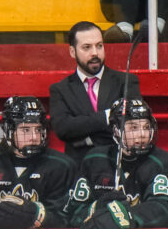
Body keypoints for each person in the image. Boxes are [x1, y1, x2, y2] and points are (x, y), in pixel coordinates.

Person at [0, 96, 81, 229]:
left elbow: (67, 219)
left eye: (38, 129)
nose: (34, 137)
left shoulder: (61, 165)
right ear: (9, 130)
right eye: (25, 130)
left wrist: (36, 214)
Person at [73, 99, 168, 229]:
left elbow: (165, 209)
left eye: (146, 127)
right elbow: (73, 211)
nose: (142, 134)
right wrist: (96, 208)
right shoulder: (94, 159)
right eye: (133, 128)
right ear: (116, 130)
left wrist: (123, 216)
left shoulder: (165, 162)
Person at [49, 21, 128, 159]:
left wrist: (85, 138)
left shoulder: (125, 81)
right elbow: (63, 129)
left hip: (116, 162)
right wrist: (107, 116)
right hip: (79, 167)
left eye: (99, 46)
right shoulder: (60, 89)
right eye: (87, 47)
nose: (95, 53)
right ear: (72, 52)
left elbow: (131, 125)